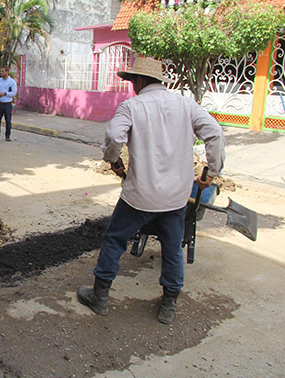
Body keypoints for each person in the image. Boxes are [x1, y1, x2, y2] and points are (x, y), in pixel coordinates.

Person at [76, 57, 226, 324]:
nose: (133, 86)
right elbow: (215, 133)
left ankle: (99, 297)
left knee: (114, 240)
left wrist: (113, 160)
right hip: (175, 198)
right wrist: (210, 172)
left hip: (139, 196)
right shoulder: (185, 104)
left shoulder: (131, 107)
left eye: (133, 81)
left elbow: (113, 137)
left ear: (141, 80)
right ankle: (168, 304)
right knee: (172, 248)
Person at [0, 66, 17, 141]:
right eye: (1, 71)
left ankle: (7, 135)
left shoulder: (12, 82)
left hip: (7, 103)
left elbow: (14, 92)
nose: (1, 73)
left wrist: (5, 93)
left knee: (8, 120)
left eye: (3, 71)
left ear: (7, 72)